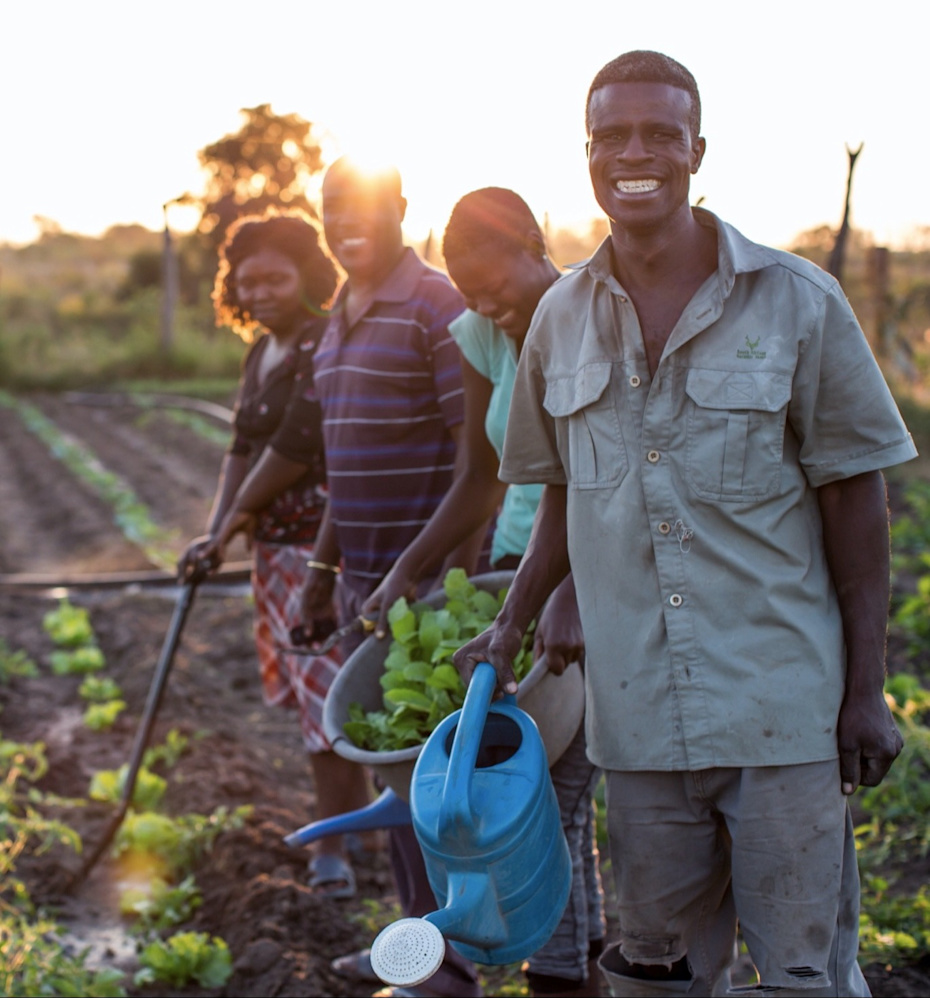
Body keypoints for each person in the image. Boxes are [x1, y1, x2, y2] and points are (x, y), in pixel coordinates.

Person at [453, 50, 916, 998]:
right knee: (659, 975)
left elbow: (854, 502)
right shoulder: (560, 323)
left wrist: (867, 688)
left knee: (800, 973)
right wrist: (511, 625)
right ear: (587, 155)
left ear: (697, 150)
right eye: (613, 135)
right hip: (640, 725)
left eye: (661, 133)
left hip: (781, 712)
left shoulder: (795, 301)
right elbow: (561, 497)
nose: (637, 153)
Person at [363, 186, 606, 997]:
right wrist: (412, 565)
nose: (484, 303)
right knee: (540, 792)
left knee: (552, 794)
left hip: (589, 578)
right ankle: (579, 960)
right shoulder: (478, 333)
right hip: (517, 570)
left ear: (535, 242)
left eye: (495, 284)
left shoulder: (590, 315)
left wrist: (567, 588)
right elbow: (478, 477)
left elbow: (602, 475)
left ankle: (564, 972)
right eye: (466, 290)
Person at [300, 157, 483, 998]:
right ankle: (421, 952)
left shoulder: (436, 307)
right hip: (363, 588)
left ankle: (450, 961)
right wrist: (320, 571)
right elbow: (344, 465)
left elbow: (476, 463)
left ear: (401, 209)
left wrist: (441, 574)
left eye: (364, 208)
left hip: (429, 600)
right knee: (394, 782)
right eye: (333, 208)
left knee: (436, 785)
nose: (348, 223)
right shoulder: (340, 313)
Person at [177, 210, 371, 899]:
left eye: (274, 277)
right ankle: (353, 825)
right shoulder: (259, 352)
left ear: (308, 274)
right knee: (314, 699)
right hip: (276, 551)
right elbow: (240, 449)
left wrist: (230, 525)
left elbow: (292, 447)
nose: (259, 291)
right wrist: (216, 529)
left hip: (325, 553)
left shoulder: (321, 340)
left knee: (327, 704)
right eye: (246, 279)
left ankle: (336, 852)